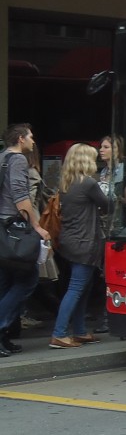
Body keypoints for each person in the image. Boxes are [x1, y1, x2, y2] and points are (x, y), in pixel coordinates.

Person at [49, 143, 113, 349]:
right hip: (84, 242)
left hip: (69, 241)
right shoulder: (88, 183)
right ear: (86, 160)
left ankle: (79, 331)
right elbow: (108, 204)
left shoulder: (67, 182)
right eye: (93, 158)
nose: (96, 162)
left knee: (82, 288)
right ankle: (59, 333)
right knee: (76, 288)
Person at [0, 124, 51, 358]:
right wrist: (37, 227)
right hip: (14, 227)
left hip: (2, 229)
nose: (33, 140)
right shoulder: (18, 160)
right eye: (30, 137)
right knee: (27, 279)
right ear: (21, 139)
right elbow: (21, 197)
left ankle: (4, 338)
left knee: (6, 282)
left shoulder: (1, 157)